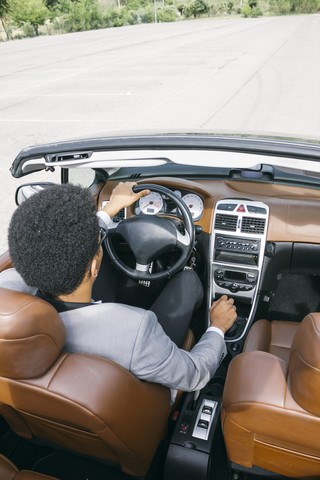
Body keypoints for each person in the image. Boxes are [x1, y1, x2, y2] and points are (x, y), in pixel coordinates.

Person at [5, 181, 237, 399]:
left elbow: (66, 244)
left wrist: (111, 208)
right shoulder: (136, 329)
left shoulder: (8, 288)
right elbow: (194, 374)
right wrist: (217, 327)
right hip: (145, 403)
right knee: (188, 281)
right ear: (94, 265)